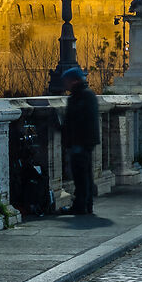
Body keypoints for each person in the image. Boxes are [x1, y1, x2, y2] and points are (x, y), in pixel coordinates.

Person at [62, 72, 100, 216]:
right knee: (84, 175)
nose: (65, 84)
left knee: (81, 176)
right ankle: (86, 205)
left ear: (74, 81)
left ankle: (81, 206)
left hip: (81, 141)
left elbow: (77, 119)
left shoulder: (81, 96)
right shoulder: (85, 95)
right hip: (83, 141)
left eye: (67, 81)